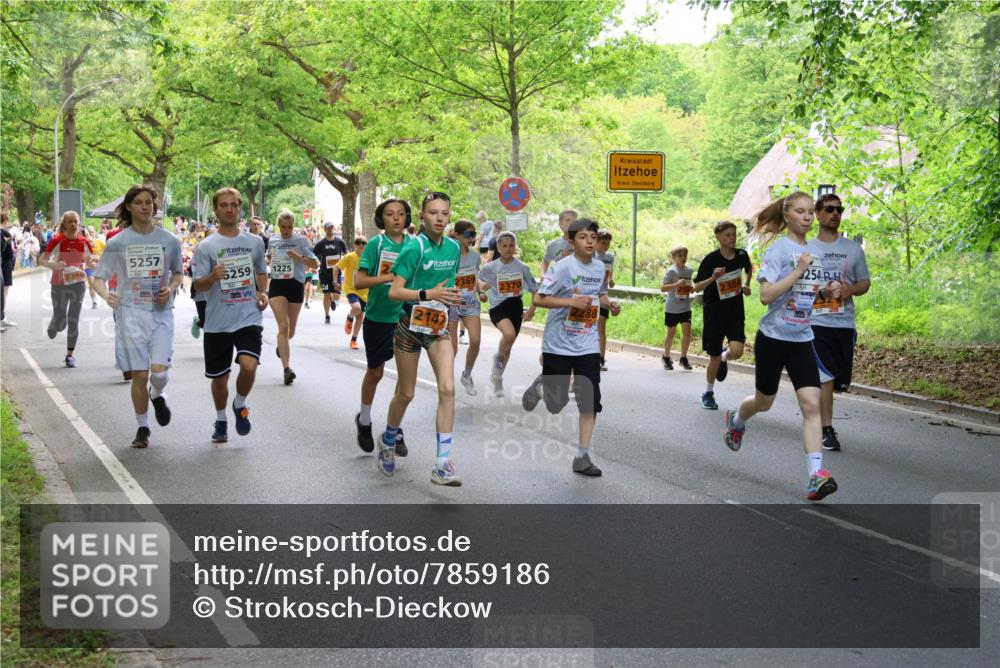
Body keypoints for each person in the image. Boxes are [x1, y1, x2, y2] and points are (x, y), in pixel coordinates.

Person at [722, 191, 838, 502]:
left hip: (802, 339)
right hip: (773, 338)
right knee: (764, 402)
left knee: (812, 405)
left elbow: (813, 298)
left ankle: (815, 476)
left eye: (809, 212)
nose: (807, 217)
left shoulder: (816, 252)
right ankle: (737, 420)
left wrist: (828, 293)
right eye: (800, 212)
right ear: (786, 216)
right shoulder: (777, 252)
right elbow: (766, 296)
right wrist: (798, 271)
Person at [521, 218, 619, 477]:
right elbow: (539, 299)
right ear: (571, 241)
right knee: (557, 403)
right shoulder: (561, 267)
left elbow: (599, 294)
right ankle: (541, 388)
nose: (589, 241)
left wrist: (610, 304)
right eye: (583, 237)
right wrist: (571, 302)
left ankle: (582, 457)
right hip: (558, 344)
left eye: (593, 237)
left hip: (587, 343)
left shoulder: (599, 267)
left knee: (590, 401)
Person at [377, 192, 462, 485]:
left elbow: (447, 288)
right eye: (433, 213)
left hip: (438, 326)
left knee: (448, 389)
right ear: (423, 217)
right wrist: (428, 295)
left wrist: (450, 300)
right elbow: (394, 292)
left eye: (445, 213)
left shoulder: (453, 248)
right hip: (409, 326)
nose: (440, 218)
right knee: (407, 393)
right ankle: (388, 440)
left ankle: (442, 464)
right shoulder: (414, 248)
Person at [92, 185, 183, 448]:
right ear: (129, 207)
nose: (146, 207)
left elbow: (178, 273)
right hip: (131, 314)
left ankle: (158, 394)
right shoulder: (118, 242)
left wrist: (171, 287)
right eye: (140, 203)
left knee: (159, 372)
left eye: (149, 202)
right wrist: (106, 295)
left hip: (161, 313)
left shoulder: (169, 240)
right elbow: (98, 278)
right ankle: (143, 427)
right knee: (139, 375)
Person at [192, 188, 268, 443]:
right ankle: (221, 418)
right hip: (217, 320)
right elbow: (198, 285)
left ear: (240, 209)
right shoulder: (206, 246)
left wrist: (264, 292)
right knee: (220, 379)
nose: (228, 209)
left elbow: (260, 271)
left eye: (233, 205)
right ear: (216, 210)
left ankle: (240, 403)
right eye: (223, 205)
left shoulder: (254, 242)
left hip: (248, 314)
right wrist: (213, 276)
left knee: (249, 365)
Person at [353, 199, 414, 455]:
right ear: (382, 219)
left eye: (401, 214)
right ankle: (364, 420)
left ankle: (395, 429)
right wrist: (390, 277)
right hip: (379, 316)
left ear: (408, 218)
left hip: (406, 317)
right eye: (390, 214)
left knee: (405, 378)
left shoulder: (415, 245)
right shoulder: (377, 244)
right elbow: (359, 281)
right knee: (376, 373)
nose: (396, 218)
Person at [810, 194, 870, 451]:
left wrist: (851, 290)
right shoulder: (806, 249)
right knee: (826, 379)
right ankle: (826, 430)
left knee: (839, 382)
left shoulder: (853, 249)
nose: (835, 214)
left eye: (839, 209)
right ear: (817, 214)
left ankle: (817, 409)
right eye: (829, 209)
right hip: (816, 322)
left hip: (844, 324)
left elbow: (864, 283)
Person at [692, 221, 754, 410]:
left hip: (735, 312)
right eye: (728, 235)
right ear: (718, 237)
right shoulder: (711, 260)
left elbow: (749, 267)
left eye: (734, 234)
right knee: (713, 358)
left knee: (737, 351)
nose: (732, 238)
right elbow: (696, 287)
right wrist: (713, 278)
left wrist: (746, 284)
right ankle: (708, 393)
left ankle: (724, 360)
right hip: (714, 314)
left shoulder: (742, 255)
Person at [479, 231, 538, 397]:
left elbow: (534, 289)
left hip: (516, 306)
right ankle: (497, 363)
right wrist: (482, 291)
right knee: (509, 335)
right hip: (498, 306)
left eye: (511, 245)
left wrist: (532, 310)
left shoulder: (522, 267)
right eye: (504, 246)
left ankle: (497, 377)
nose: (508, 248)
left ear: (515, 247)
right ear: (498, 247)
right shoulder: (491, 267)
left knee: (508, 347)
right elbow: (479, 282)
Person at [267, 210, 319, 385]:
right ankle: (287, 369)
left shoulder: (301, 241)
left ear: (294, 226)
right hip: (277, 284)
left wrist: (299, 257)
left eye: (289, 227)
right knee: (284, 325)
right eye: (283, 226)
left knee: (291, 331)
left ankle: (282, 344)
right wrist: (270, 260)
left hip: (295, 284)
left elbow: (315, 264)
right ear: (278, 225)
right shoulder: (273, 240)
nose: (286, 230)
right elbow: (269, 259)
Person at [41, 211, 93, 367]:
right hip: (58, 283)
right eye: (70, 222)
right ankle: (55, 322)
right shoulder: (57, 240)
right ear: (64, 224)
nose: (73, 225)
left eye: (76, 222)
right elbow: (42, 259)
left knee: (73, 319)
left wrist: (91, 265)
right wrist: (53, 265)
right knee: (62, 321)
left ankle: (70, 355)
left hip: (78, 284)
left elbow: (90, 262)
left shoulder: (84, 241)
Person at [447, 220, 484, 396]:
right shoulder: (448, 255)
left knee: (475, 342)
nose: (472, 238)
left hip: (470, 303)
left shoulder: (475, 256)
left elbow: (475, 277)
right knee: (452, 349)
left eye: (473, 235)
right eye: (469, 235)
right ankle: (446, 381)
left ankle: (467, 376)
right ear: (458, 235)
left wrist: (480, 291)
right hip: (452, 305)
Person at [660, 246, 694, 371]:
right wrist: (676, 284)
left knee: (687, 332)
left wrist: (691, 288)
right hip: (672, 307)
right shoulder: (671, 271)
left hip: (685, 306)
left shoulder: (689, 270)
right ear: (674, 258)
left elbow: (689, 285)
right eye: (680, 256)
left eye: (685, 255)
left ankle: (683, 358)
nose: (683, 258)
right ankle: (666, 357)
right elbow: (663, 288)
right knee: (671, 333)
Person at [336, 237, 369, 350]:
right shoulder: (349, 257)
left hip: (364, 291)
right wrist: (335, 281)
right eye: (358, 243)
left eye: (364, 243)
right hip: (351, 289)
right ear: (355, 245)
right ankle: (350, 317)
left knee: (360, 317)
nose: (361, 245)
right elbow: (336, 267)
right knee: (356, 307)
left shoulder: (369, 258)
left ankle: (353, 340)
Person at [313, 221, 348, 324]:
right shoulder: (321, 243)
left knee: (337, 294)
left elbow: (346, 253)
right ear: (325, 229)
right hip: (325, 272)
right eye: (328, 228)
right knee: (326, 294)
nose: (330, 229)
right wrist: (316, 262)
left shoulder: (340, 242)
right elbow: (313, 254)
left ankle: (333, 300)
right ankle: (327, 316)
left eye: (332, 227)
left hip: (337, 272)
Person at [595, 230, 616, 371]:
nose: (606, 245)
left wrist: (611, 279)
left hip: (603, 296)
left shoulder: (610, 257)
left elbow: (610, 273)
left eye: (608, 243)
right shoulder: (591, 255)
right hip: (590, 297)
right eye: (603, 242)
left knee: (601, 327)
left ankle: (601, 358)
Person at [539, 209, 578, 276]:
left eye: (574, 221)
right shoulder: (553, 245)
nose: (571, 223)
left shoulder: (585, 243)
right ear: (560, 224)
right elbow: (545, 262)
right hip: (559, 284)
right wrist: (543, 275)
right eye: (568, 220)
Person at [1, 212, 17, 327]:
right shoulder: (6, 233)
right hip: (5, 263)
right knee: (5, 291)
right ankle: (2, 316)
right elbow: (8, 251)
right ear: (5, 221)